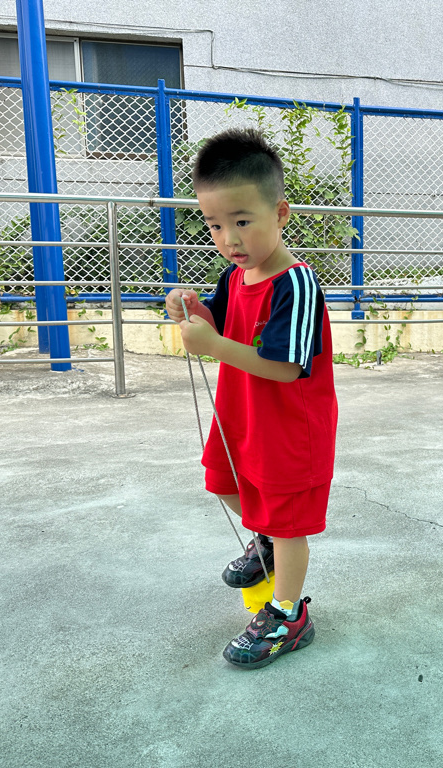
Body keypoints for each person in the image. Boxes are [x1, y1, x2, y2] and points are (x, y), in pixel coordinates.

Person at [165, 128, 338, 668]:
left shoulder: (296, 284)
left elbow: (286, 367)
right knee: (223, 481)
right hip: (242, 415)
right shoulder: (235, 276)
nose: (229, 239)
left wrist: (214, 346)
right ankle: (263, 541)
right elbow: (220, 323)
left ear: (280, 213)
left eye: (242, 221)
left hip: (289, 426)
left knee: (289, 523)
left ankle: (289, 614)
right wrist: (192, 310)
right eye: (215, 225)